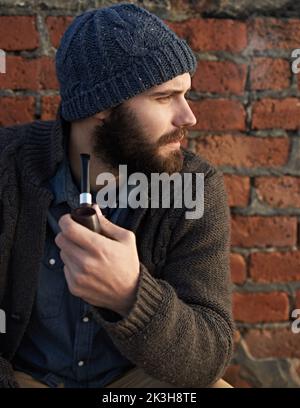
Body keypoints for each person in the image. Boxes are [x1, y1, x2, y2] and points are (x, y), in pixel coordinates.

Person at [0, 3, 234, 388]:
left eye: (185, 94)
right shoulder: (9, 166)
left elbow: (210, 355)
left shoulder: (194, 186)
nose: (188, 117)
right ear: (102, 107)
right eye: (164, 97)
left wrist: (131, 295)